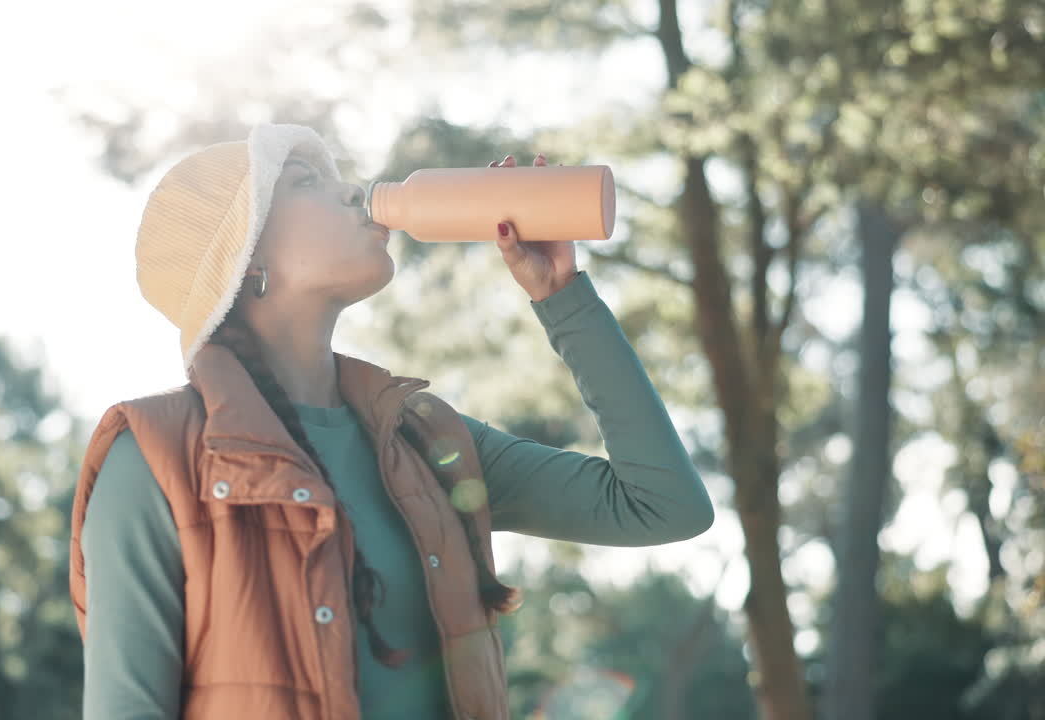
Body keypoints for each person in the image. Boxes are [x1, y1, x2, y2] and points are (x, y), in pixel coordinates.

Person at [69, 122, 715, 720]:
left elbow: (662, 506)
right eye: (305, 182)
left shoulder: (426, 442)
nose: (352, 188)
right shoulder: (154, 458)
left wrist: (563, 298)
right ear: (246, 259)